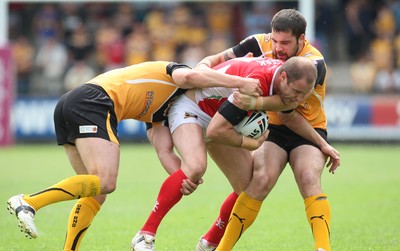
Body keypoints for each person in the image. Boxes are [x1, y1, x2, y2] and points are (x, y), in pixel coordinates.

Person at [6, 60, 262, 251]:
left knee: (97, 190)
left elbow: (164, 151)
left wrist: (183, 177)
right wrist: (240, 82)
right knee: (106, 180)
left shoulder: (160, 116)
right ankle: (29, 201)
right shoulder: (178, 74)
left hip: (70, 103)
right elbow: (193, 74)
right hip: (95, 101)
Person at [131, 56, 318, 251]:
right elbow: (214, 132)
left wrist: (258, 104)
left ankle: (209, 243)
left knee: (248, 187)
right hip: (192, 109)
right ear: (283, 77)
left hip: (220, 118)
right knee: (195, 167)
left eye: (304, 94)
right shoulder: (256, 83)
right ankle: (144, 235)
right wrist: (250, 144)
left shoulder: (284, 76)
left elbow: (284, 105)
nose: (298, 99)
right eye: (296, 92)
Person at [195, 9, 340, 251]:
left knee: (308, 177)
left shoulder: (313, 65)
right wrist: (201, 68)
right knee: (258, 181)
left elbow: (289, 108)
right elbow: (217, 59)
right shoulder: (256, 42)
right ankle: (218, 246)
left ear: (301, 40)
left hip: (308, 128)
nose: (278, 48)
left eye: (286, 43)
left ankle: (323, 248)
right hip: (272, 128)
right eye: (275, 40)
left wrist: (323, 144)